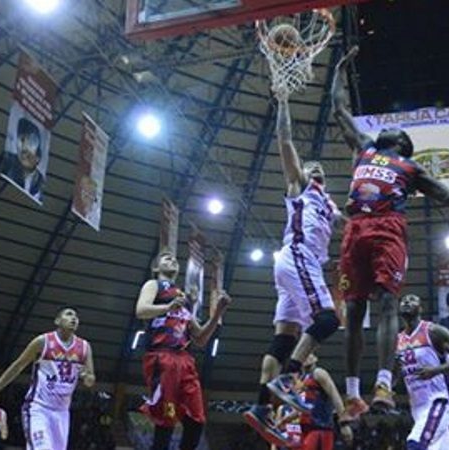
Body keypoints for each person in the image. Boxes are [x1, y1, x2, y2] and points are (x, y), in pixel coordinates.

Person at [330, 46, 449, 419]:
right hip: (356, 228)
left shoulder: (411, 167)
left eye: (395, 129)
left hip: (387, 229)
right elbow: (339, 109)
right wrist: (339, 68)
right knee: (352, 310)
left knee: (385, 304)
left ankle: (383, 383)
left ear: (402, 144)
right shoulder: (365, 148)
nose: (389, 125)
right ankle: (352, 393)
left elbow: (446, 197)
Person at [243, 96, 343, 446]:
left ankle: (261, 408)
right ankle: (289, 379)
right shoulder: (301, 187)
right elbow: (285, 142)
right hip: (298, 257)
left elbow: (355, 222)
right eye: (313, 167)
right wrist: (283, 102)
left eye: (322, 171)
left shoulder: (329, 207)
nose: (318, 172)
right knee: (329, 320)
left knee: (284, 339)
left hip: (296, 266)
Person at [136, 251, 232, 450]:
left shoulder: (184, 299)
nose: (172, 259)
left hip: (185, 360)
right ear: (156, 268)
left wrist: (218, 313)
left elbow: (201, 339)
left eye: (174, 258)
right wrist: (168, 307)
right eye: (166, 258)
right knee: (166, 419)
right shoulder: (153, 285)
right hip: (162, 357)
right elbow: (141, 310)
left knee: (197, 420)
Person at [0, 307, 95, 450]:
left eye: (76, 317)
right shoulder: (43, 341)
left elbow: (90, 379)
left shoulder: (84, 347)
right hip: (38, 408)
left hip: (62, 412)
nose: (74, 318)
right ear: (57, 321)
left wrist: (87, 377)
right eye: (68, 315)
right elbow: (17, 366)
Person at [395, 294, 449, 450]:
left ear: (420, 309)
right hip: (417, 408)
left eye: (412, 299)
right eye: (403, 300)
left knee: (415, 443)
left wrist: (436, 370)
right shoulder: (398, 340)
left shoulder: (432, 331)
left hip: (439, 401)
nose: (406, 301)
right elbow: (396, 374)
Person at [1, 116, 44, 201]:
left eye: (31, 142)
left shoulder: (41, 183)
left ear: (38, 154)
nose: (24, 147)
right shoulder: (7, 162)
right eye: (21, 140)